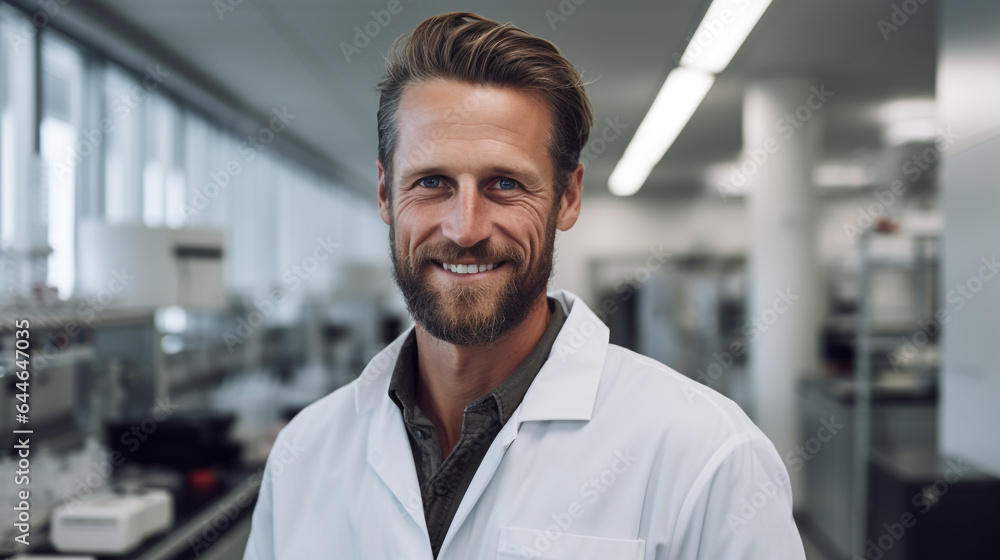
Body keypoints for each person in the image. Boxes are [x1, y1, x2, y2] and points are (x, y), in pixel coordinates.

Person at [243, 12, 805, 560]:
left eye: (505, 183)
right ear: (387, 194)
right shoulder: (304, 452)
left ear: (567, 196)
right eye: (433, 182)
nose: (465, 229)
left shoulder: (707, 455)